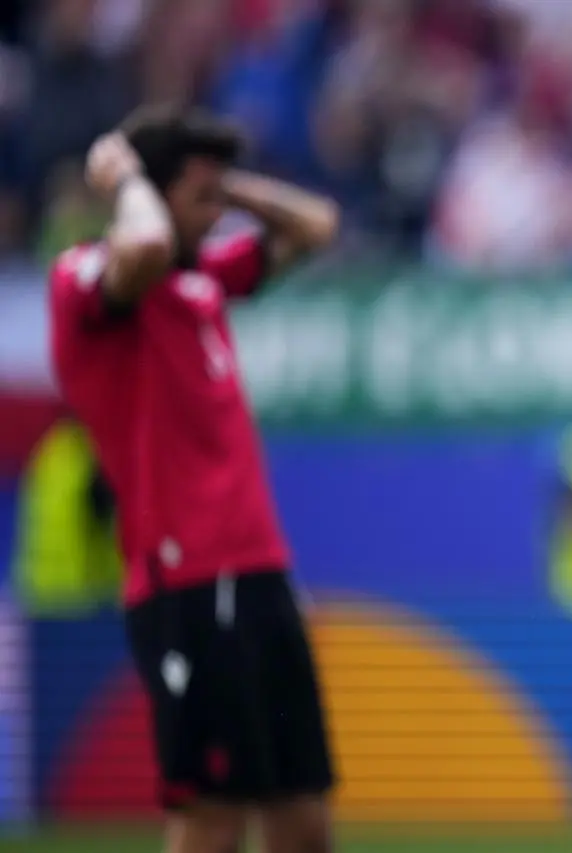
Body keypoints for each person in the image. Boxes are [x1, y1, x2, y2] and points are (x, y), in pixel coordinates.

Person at [47, 105, 340, 853]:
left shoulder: (203, 280)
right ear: (146, 190)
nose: (216, 217)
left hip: (260, 571)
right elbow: (142, 243)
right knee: (213, 814)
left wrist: (221, 186)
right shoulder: (87, 277)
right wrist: (128, 183)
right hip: (184, 580)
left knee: (303, 812)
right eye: (200, 198)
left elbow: (315, 226)